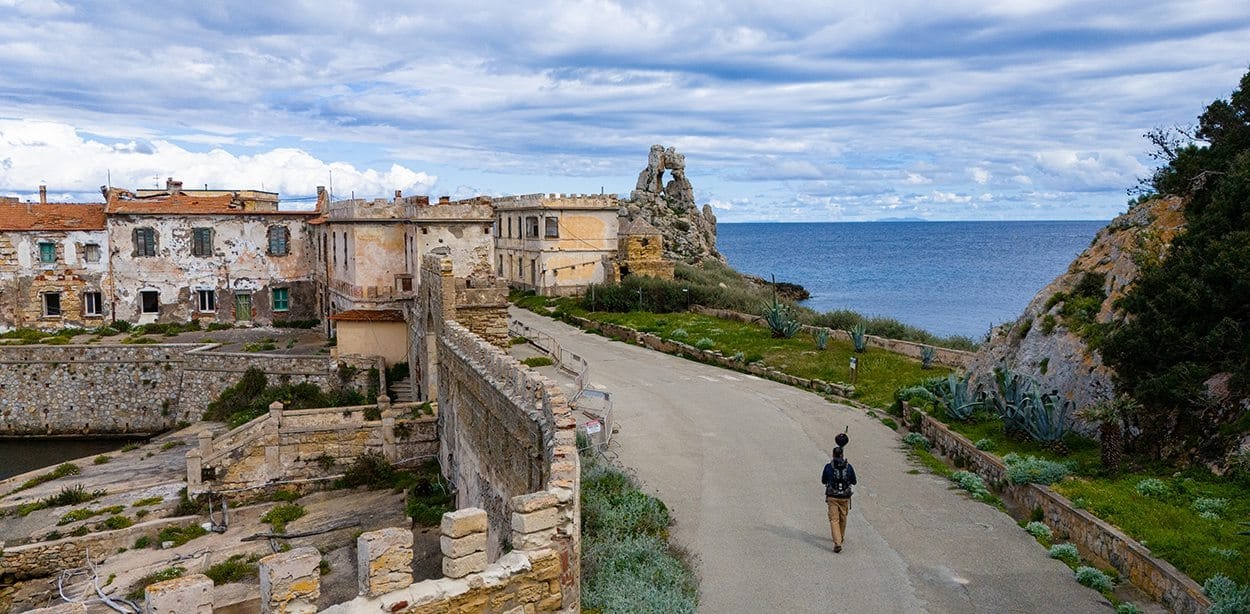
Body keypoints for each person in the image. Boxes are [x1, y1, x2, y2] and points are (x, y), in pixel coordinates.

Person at [821, 445, 857, 553]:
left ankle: (837, 542)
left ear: (833, 455)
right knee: (843, 517)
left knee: (834, 519)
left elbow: (823, 480)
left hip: (832, 496)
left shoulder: (828, 467)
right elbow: (854, 481)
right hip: (845, 497)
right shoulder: (848, 467)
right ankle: (840, 536)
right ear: (842, 455)